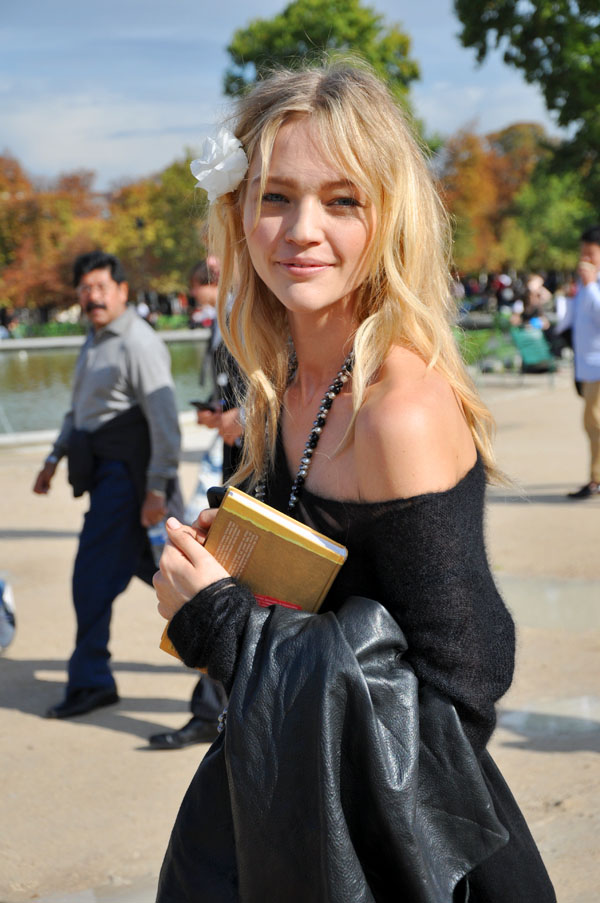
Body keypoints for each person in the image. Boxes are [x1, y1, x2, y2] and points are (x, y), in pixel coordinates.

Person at [152, 63, 556, 900]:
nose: (302, 230)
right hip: (294, 807)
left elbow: (462, 696)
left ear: (389, 216)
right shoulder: (280, 383)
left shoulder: (395, 411)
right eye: (275, 196)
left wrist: (224, 623)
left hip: (403, 855)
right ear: (237, 211)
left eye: (342, 200)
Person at [33, 250, 183, 719]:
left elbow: (165, 423)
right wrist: (54, 457)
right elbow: (79, 410)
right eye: (85, 288)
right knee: (166, 575)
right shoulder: (95, 339)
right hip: (104, 473)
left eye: (101, 287)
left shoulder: (138, 341)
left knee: (92, 578)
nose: (92, 296)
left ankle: (91, 682)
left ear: (122, 291)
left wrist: (156, 489)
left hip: (129, 477)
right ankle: (229, 667)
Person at [147, 257, 239, 750]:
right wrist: (223, 412)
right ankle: (215, 713)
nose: (210, 263)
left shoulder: (267, 301)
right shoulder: (231, 309)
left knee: (225, 586)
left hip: (262, 469)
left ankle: (218, 714)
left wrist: (246, 415)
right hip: (236, 466)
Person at [556, 226, 600, 499]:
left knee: (595, 423)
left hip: (597, 366)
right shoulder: (585, 285)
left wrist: (591, 285)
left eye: (591, 254)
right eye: (582, 253)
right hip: (587, 366)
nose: (585, 259)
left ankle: (596, 478)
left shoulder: (592, 284)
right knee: (592, 424)